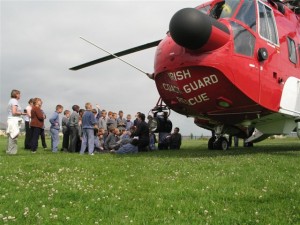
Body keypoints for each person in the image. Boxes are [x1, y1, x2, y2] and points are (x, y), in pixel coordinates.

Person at [6, 89, 26, 155]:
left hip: (11, 119)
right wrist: (22, 113)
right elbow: (14, 112)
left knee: (11, 136)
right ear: (16, 94)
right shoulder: (14, 101)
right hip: (13, 120)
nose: (20, 95)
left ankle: (9, 151)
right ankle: (12, 152)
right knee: (13, 136)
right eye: (19, 94)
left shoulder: (11, 101)